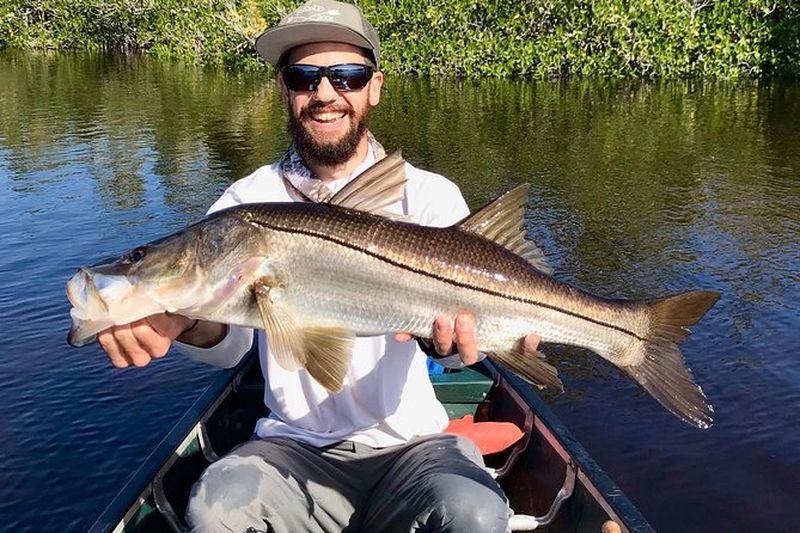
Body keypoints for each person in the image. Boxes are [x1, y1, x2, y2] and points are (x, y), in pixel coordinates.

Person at [97, 1, 540, 531]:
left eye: (347, 76)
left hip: (414, 447)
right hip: (291, 452)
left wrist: (452, 344)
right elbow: (233, 346)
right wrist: (182, 319)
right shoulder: (246, 201)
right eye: (303, 76)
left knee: (475, 511)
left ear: (374, 87)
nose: (325, 93)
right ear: (284, 89)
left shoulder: (428, 195)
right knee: (215, 509)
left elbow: (457, 348)